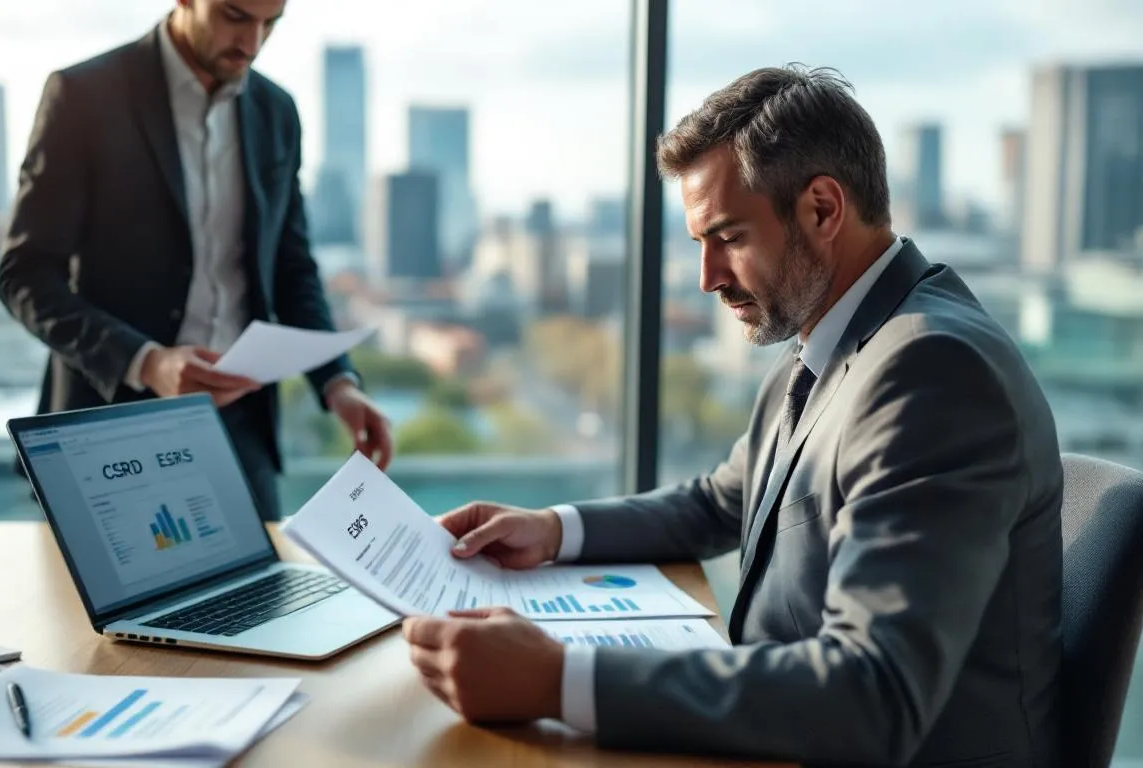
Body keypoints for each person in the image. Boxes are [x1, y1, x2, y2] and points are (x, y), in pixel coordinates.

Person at [401, 65, 1062, 767]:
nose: (707, 277)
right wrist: (553, 529)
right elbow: (723, 500)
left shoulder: (933, 372)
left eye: (729, 237)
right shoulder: (830, 338)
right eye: (699, 244)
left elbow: (876, 694)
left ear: (822, 209)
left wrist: (556, 678)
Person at [0, 0, 392, 520]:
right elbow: (24, 276)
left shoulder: (276, 112)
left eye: (269, 24)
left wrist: (337, 384)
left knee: (257, 601)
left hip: (240, 428)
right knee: (121, 605)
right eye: (234, 16)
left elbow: (291, 267)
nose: (251, 43)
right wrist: (148, 361)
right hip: (110, 427)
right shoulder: (84, 97)